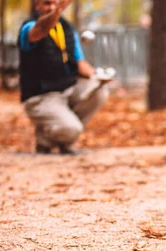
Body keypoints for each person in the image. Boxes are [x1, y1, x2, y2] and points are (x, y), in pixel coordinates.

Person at [18, 0, 109, 155]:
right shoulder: (29, 27)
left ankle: (59, 131)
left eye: (55, 3)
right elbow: (41, 29)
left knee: (100, 91)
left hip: (67, 90)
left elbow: (80, 63)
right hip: (41, 97)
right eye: (47, 3)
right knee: (73, 129)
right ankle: (48, 138)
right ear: (37, 6)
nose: (52, 7)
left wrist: (98, 76)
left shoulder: (67, 28)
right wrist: (57, 11)